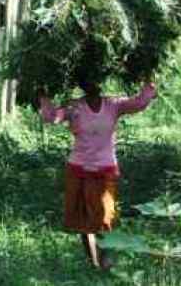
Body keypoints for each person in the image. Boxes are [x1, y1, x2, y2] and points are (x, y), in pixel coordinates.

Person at [38, 78, 156, 269]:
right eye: (87, 82)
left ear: (99, 83)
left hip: (104, 170)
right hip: (78, 169)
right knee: (82, 221)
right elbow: (52, 117)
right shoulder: (74, 107)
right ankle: (93, 263)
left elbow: (139, 103)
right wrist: (43, 95)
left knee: (104, 217)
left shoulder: (114, 105)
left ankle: (105, 257)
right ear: (82, 85)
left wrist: (148, 82)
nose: (91, 85)